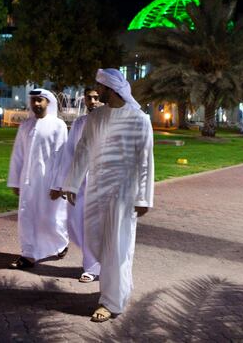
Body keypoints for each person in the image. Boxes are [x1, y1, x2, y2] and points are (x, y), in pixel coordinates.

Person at [63, 68, 154, 322]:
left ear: (110, 89)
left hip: (123, 193)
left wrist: (143, 198)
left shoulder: (139, 119)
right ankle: (120, 286)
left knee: (117, 246)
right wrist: (71, 184)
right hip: (96, 190)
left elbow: (145, 162)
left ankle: (110, 302)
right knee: (97, 243)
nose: (96, 92)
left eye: (99, 87)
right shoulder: (96, 118)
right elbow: (83, 150)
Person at [7, 88, 69, 269]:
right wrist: (14, 181)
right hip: (28, 181)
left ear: (48, 102)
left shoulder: (58, 125)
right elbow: (17, 155)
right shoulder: (25, 125)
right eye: (33, 100)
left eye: (39, 100)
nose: (36, 104)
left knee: (50, 220)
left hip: (49, 182)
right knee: (26, 216)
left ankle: (61, 242)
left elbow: (62, 157)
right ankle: (28, 254)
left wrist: (58, 184)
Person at [50, 87, 102, 283]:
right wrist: (62, 183)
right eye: (89, 98)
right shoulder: (80, 123)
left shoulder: (110, 121)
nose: (93, 101)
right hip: (80, 181)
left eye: (96, 97)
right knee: (75, 223)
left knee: (95, 225)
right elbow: (69, 153)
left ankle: (92, 266)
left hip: (101, 181)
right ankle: (96, 261)